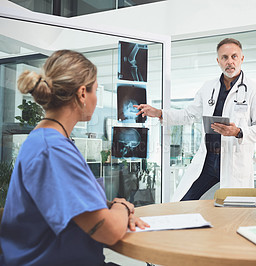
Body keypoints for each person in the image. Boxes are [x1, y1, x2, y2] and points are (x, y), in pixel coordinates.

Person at [0, 50, 149, 265]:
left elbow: (74, 202)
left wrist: (113, 210)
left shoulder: (49, 140)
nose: (96, 99)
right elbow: (107, 232)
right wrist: (122, 207)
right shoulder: (52, 150)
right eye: (95, 91)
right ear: (82, 94)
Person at [135, 38, 256, 201]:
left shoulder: (255, 90)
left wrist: (238, 132)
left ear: (242, 59)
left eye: (234, 57)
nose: (230, 62)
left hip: (234, 163)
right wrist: (159, 113)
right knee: (183, 201)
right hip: (208, 160)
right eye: (224, 57)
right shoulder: (208, 87)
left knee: (233, 209)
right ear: (218, 61)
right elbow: (188, 114)